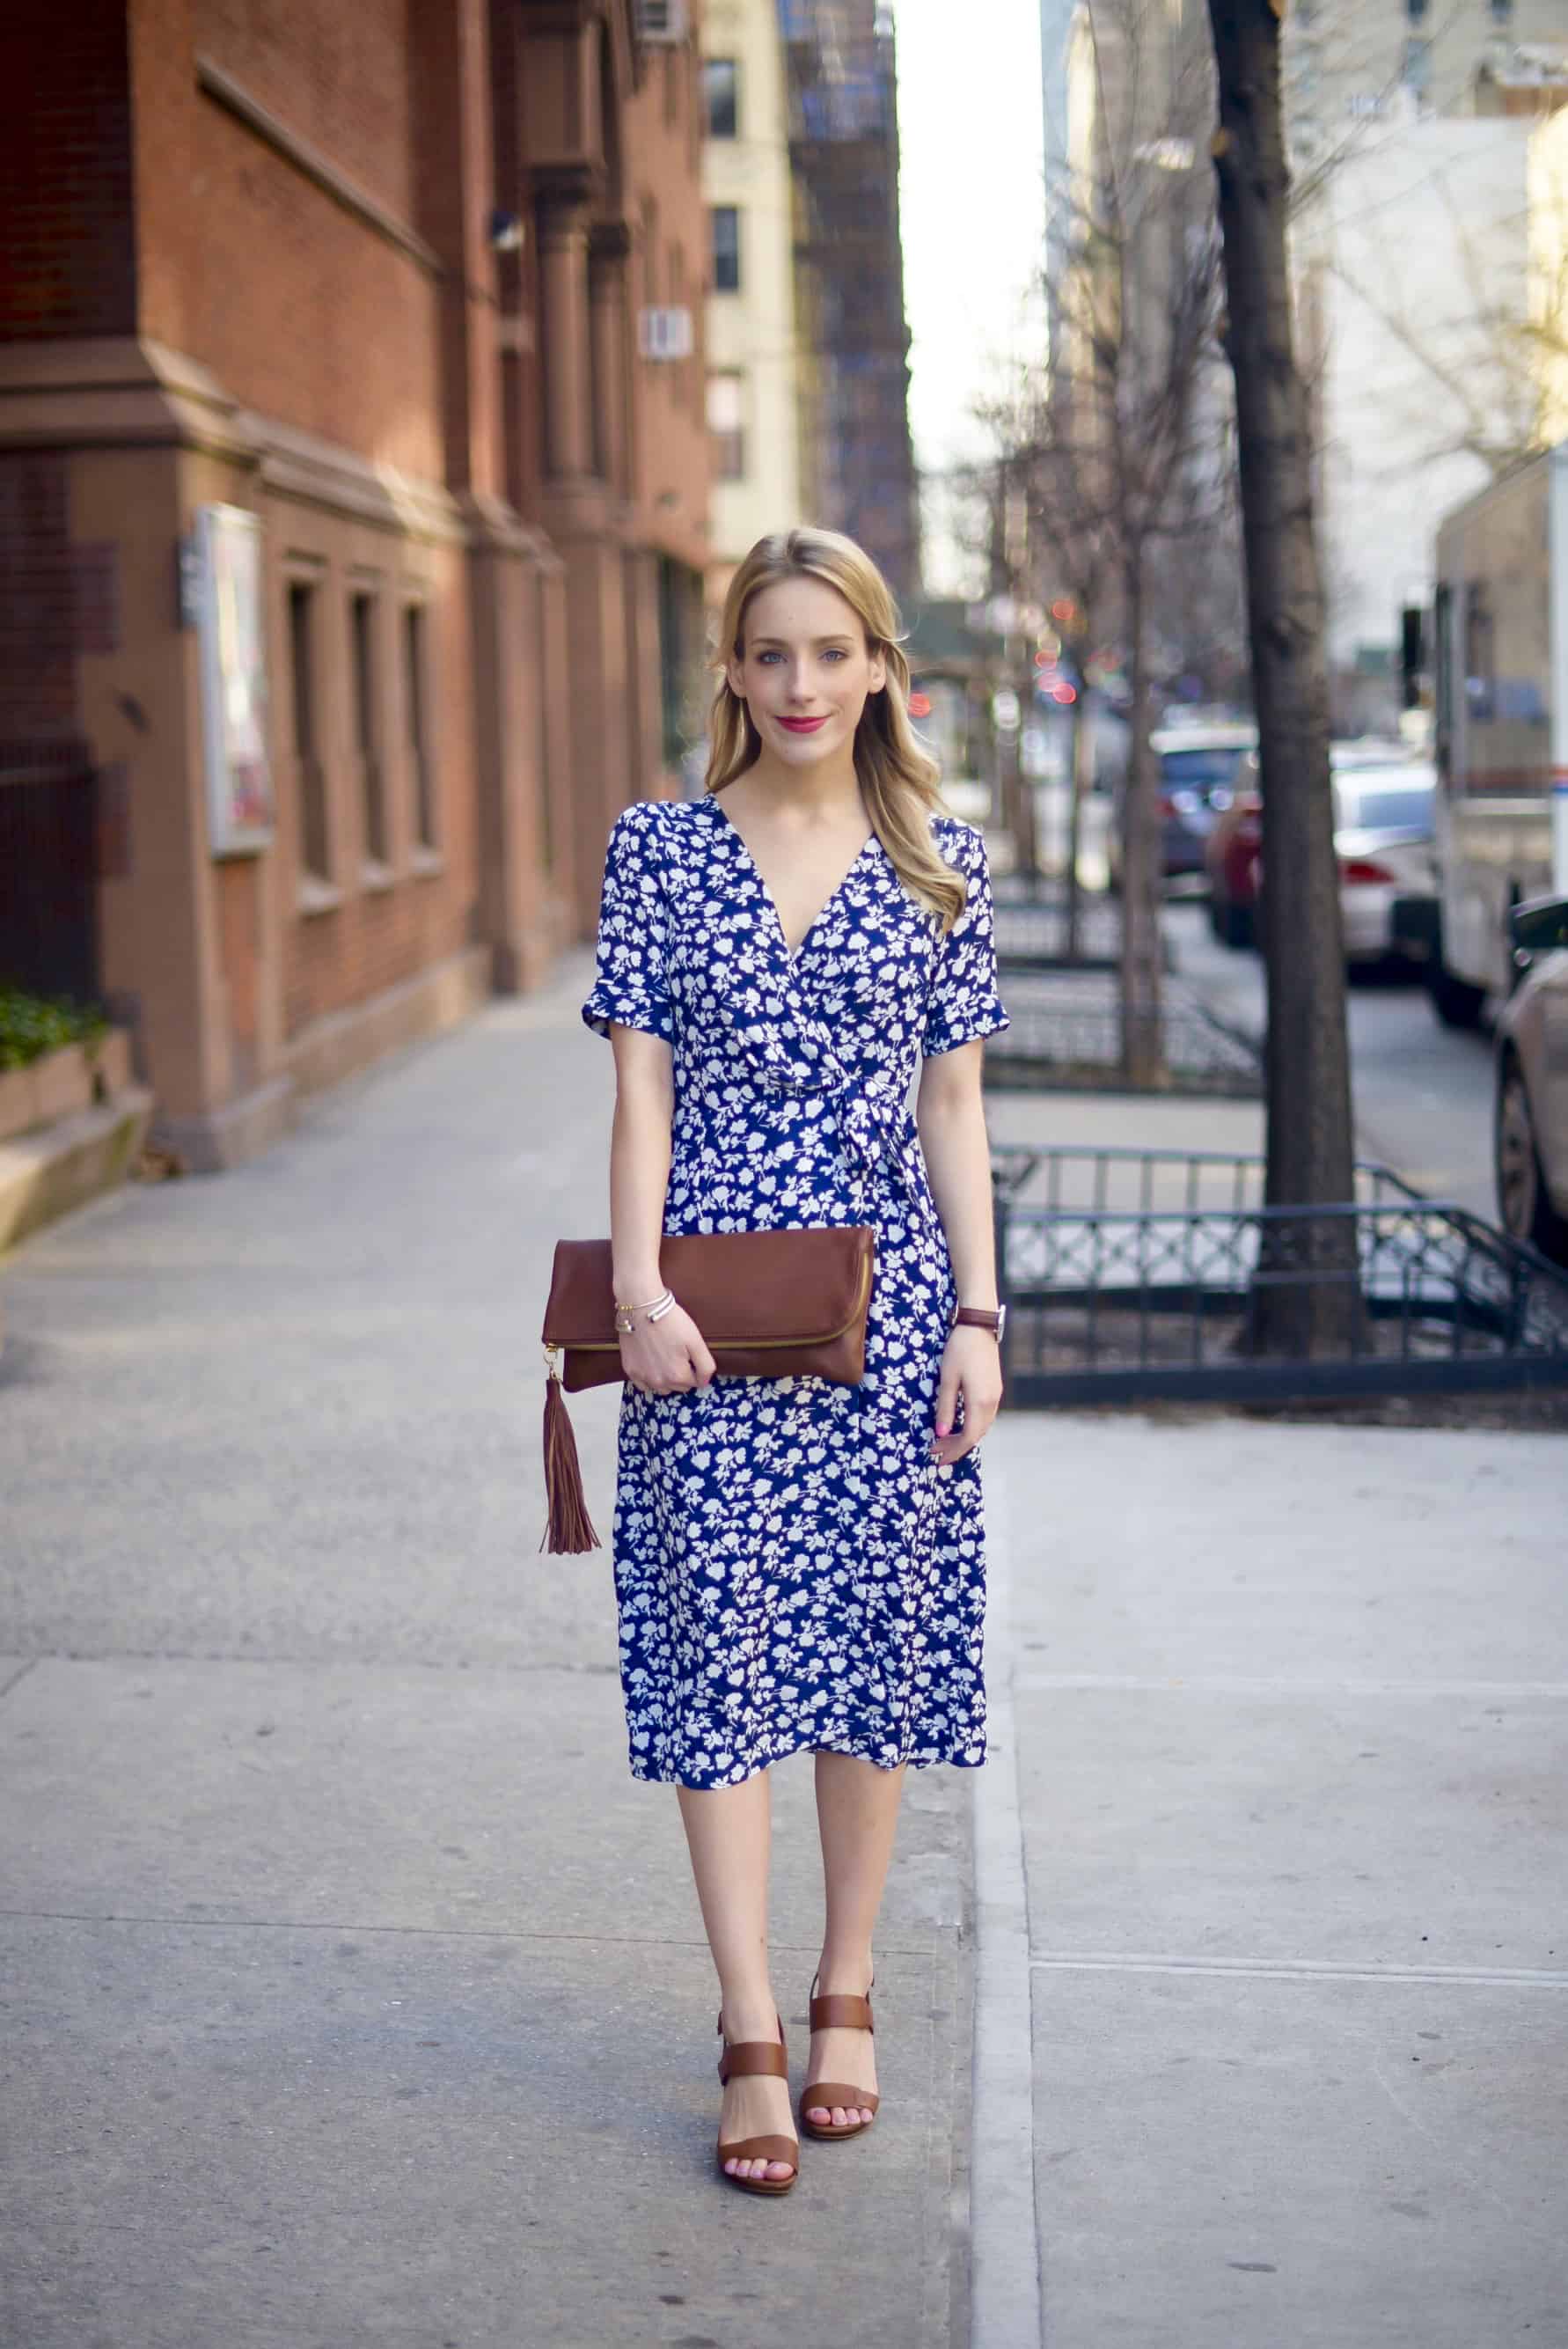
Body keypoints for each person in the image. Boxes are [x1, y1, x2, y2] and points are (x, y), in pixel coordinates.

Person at [581, 525, 1008, 2198]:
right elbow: (639, 1094)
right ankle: (749, 2020)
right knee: (722, 1667)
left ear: (884, 665)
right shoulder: (661, 849)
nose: (803, 684)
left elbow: (953, 1108)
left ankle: (847, 1987)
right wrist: (633, 1293)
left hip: (890, 1324)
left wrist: (978, 1316)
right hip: (703, 1323)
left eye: (834, 652)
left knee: (872, 1650)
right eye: (772, 655)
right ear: (732, 674)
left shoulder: (941, 864)